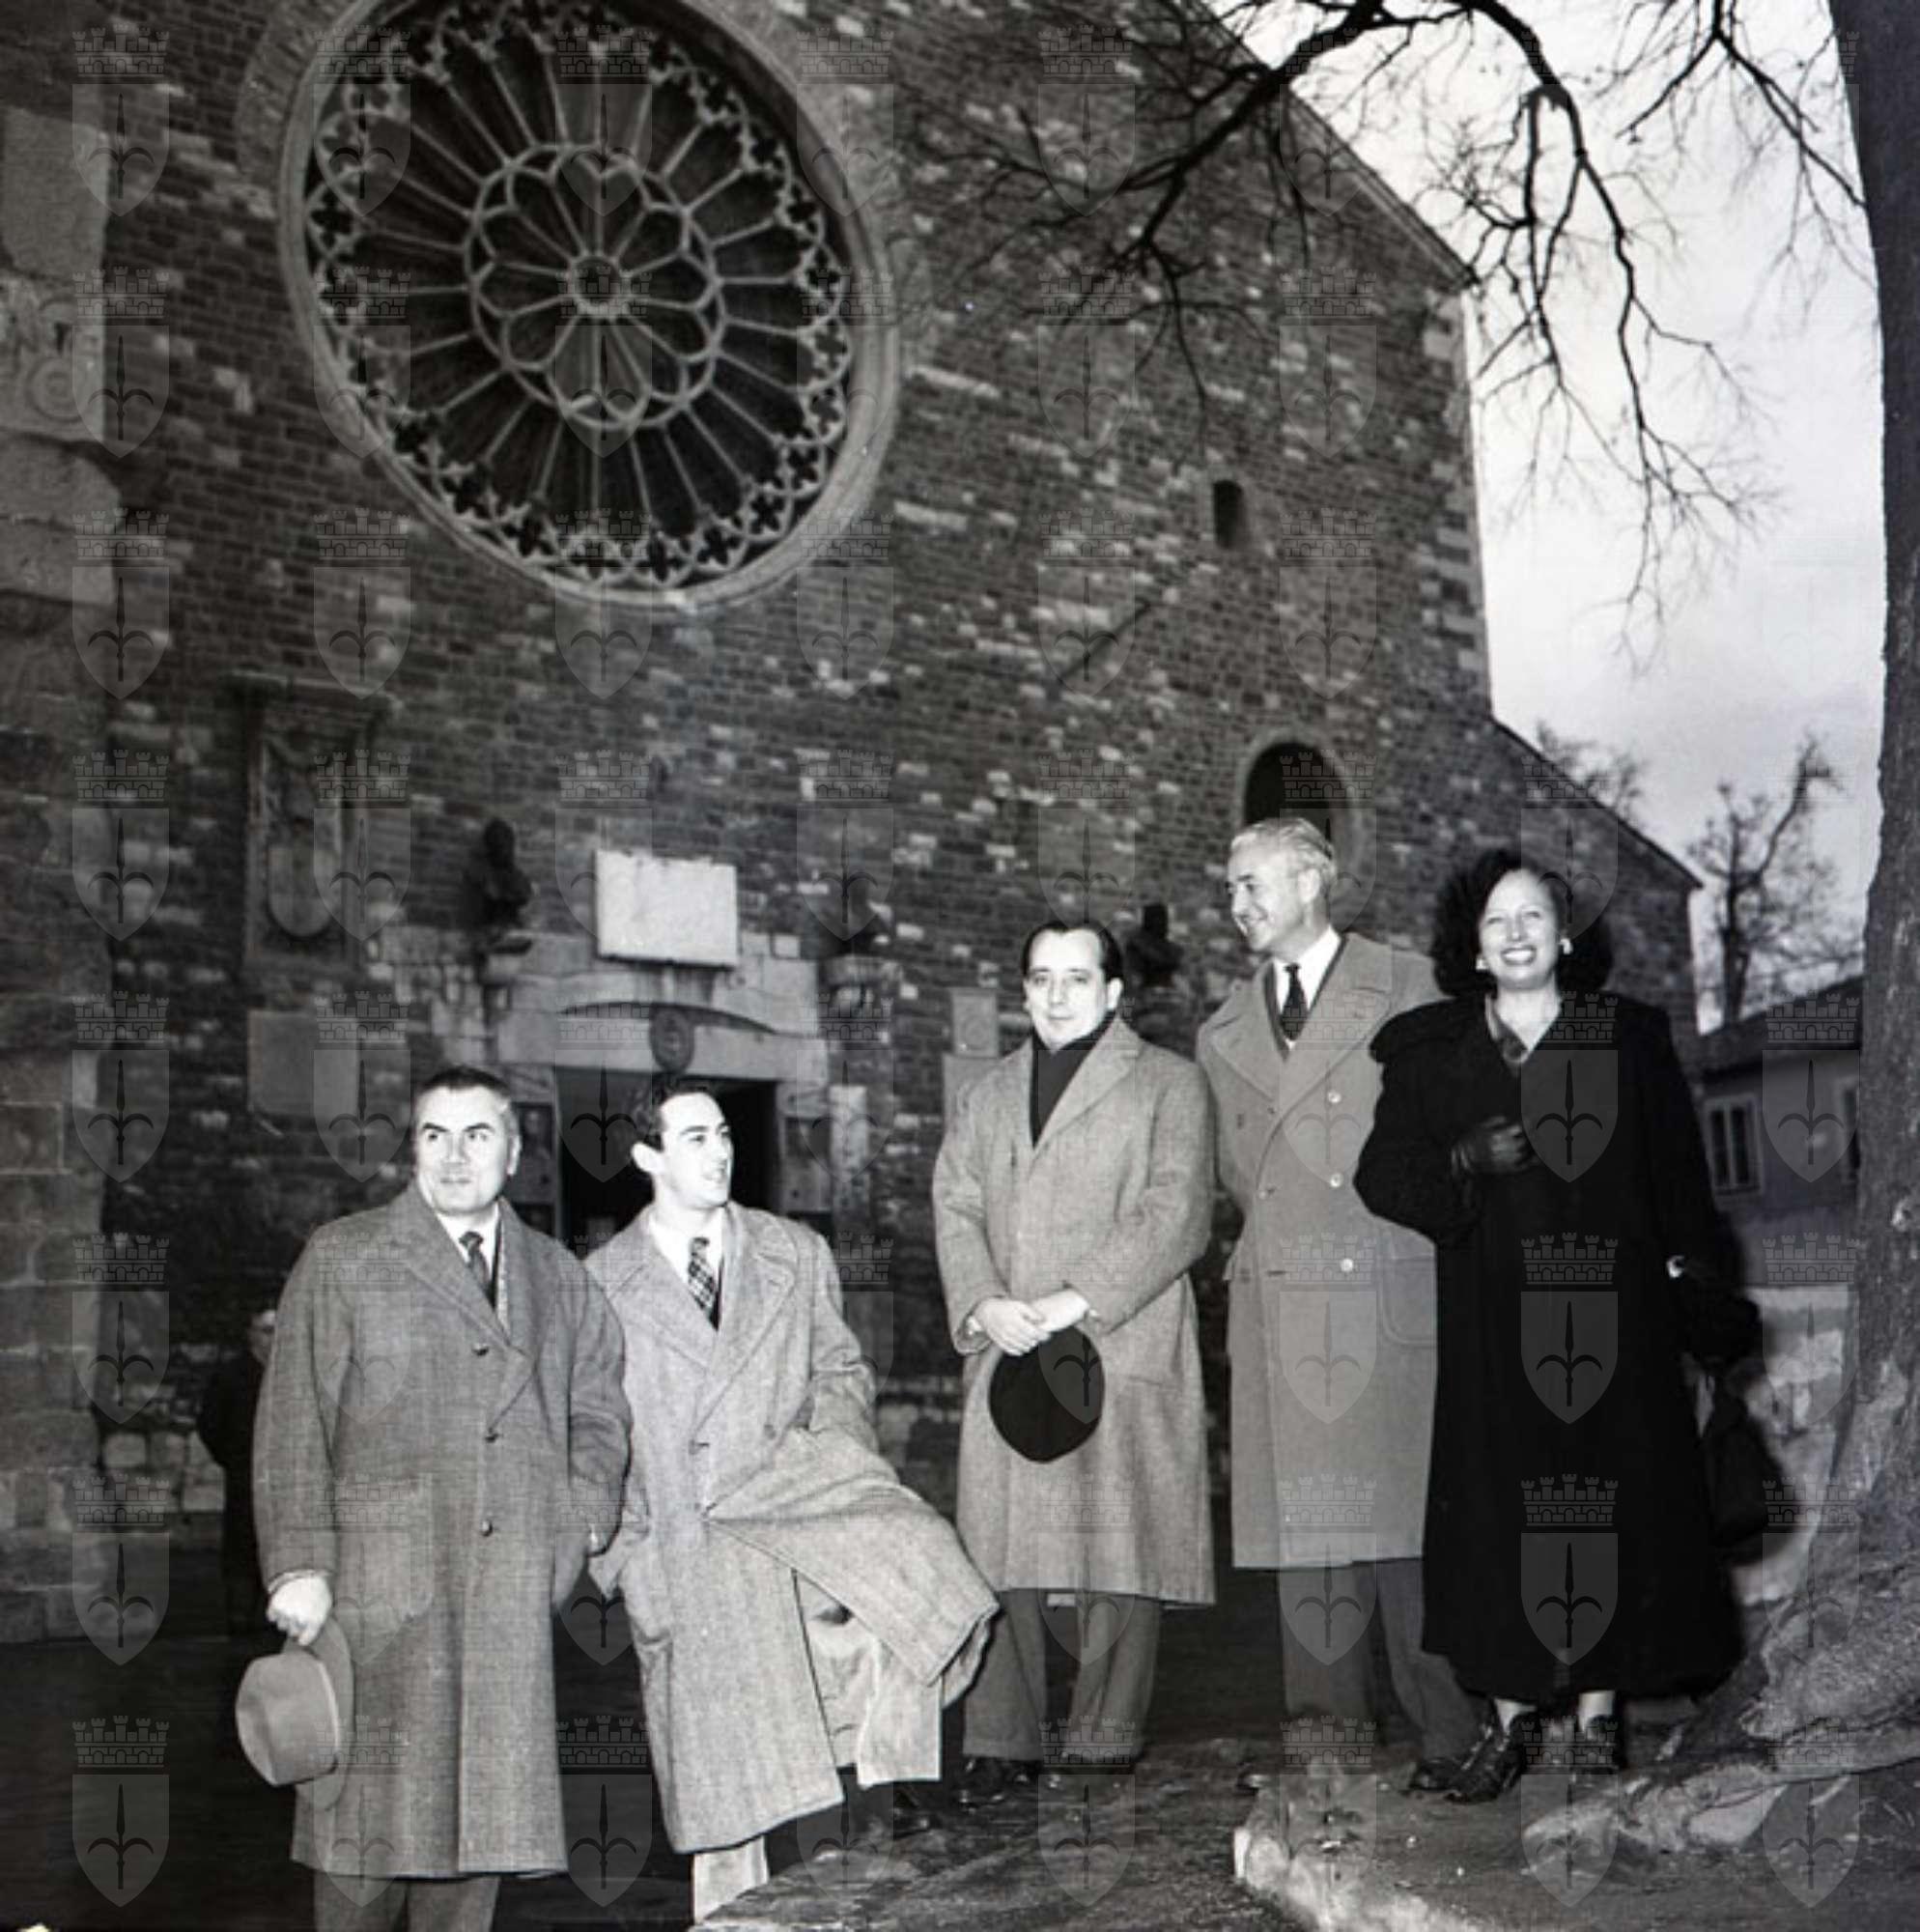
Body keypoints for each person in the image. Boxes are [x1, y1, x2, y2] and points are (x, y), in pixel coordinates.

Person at [1353, 851, 1747, 1800]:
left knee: (1607, 1508)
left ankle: (1598, 1720)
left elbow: (1679, 1180)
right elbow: (1381, 1175)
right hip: (1493, 1331)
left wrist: (1697, 1291)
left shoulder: (1627, 1039)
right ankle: (1510, 1724)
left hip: (1616, 1323)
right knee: (1501, 1518)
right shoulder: (1430, 1051)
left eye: (1533, 915)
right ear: (1472, 948)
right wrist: (1460, 1159)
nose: (1516, 933)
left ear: (1564, 935)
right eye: (1496, 921)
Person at [588, 1077, 996, 1922]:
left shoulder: (792, 1253)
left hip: (802, 1540)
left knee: (846, 1768)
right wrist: (629, 1564)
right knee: (728, 1806)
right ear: (646, 1156)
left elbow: (840, 1371)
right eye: (695, 1138)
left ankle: (869, 1886)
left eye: (724, 1134)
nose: (720, 1152)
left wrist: (827, 1467)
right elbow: (589, 1432)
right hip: (690, 1561)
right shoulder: (597, 1285)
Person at [254, 1066, 632, 1931]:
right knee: (361, 1854)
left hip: (504, 1605)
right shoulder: (345, 1257)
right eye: (435, 1136)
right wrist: (299, 1565)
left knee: (474, 1852)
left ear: (517, 1152)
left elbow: (599, 1410)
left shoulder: (557, 1276)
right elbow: (293, 1419)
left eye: (478, 1135)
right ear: (412, 1150)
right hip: (377, 1600)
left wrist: (578, 1520)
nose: (455, 1157)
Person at [1197, 818, 1479, 1794]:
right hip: (1283, 1298)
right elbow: (1234, 1174)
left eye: (1251, 882)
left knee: (1407, 1531)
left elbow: (1461, 1134)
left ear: (1313, 876)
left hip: (1385, 1286)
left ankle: (1452, 1738)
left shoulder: (1409, 986)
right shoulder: (1220, 1030)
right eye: (1229, 887)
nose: (1236, 902)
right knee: (1307, 1538)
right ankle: (1326, 1744)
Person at [932, 920, 1214, 1807]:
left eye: (1078, 978)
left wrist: (1074, 1297)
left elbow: (1177, 1212)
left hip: (1116, 1338)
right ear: (1023, 990)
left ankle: (1103, 1734)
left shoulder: (1170, 1084)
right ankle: (1000, 1739)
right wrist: (982, 1300)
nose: (1057, 995)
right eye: (1041, 978)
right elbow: (955, 1203)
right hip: (1012, 1340)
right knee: (1001, 1546)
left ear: (1114, 991)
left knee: (1116, 1547)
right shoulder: (987, 1095)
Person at [198, 1305, 275, 1635]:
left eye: (278, 1331)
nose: (273, 1339)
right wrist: (234, 1458)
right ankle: (240, 1613)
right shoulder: (231, 1376)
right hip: (244, 1473)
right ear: (251, 1335)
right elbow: (210, 1424)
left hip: (282, 1478)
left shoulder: (291, 1375)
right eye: (266, 1331)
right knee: (242, 1541)